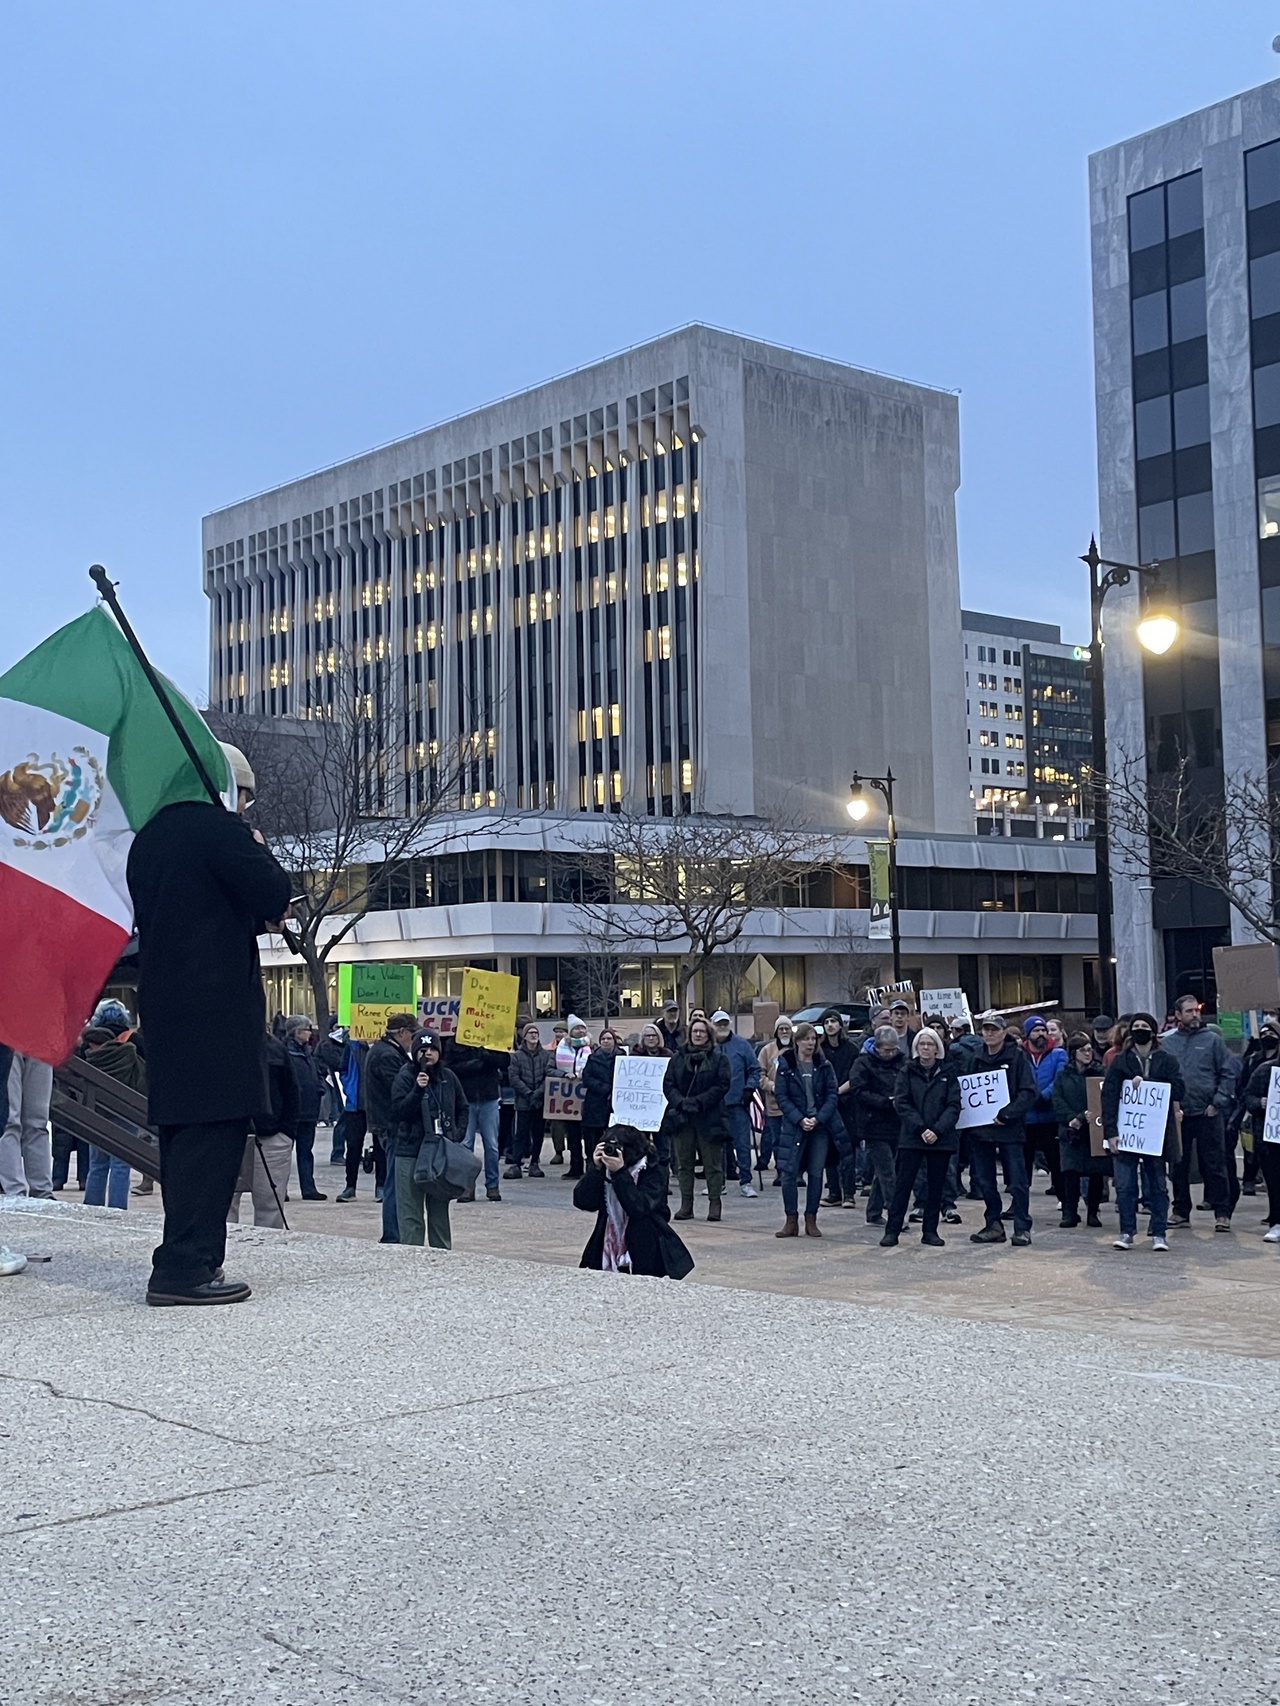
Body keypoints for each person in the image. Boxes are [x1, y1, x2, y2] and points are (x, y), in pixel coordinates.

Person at [126, 741, 291, 1305]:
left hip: (166, 1007)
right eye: (244, 796)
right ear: (228, 788)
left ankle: (182, 1254)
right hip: (217, 1009)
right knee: (215, 1136)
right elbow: (275, 894)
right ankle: (187, 1268)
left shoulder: (148, 840)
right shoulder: (221, 831)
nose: (245, 807)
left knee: (181, 1138)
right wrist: (257, 849)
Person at [1101, 1012, 1184, 1252]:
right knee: (1125, 1186)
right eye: (1135, 1026)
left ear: (1153, 1031)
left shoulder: (1166, 1060)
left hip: (1155, 1135)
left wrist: (1149, 1084)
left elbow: (1179, 1089)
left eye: (1144, 1026)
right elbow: (1109, 1097)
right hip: (1128, 1133)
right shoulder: (1121, 1061)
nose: (1139, 1029)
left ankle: (1159, 1232)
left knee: (1157, 1185)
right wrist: (1111, 1132)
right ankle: (1127, 1231)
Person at [574, 1123, 694, 1278]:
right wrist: (595, 1169)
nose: (612, 1153)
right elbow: (583, 1201)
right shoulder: (605, 1169)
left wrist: (620, 1173)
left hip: (646, 1243)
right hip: (607, 1238)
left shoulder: (652, 1168)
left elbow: (639, 1208)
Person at [1161, 993, 1236, 1231]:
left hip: (1208, 1112)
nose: (1195, 1014)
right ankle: (1181, 1210)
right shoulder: (1168, 1043)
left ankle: (1222, 1213)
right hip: (1179, 1114)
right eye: (1189, 1011)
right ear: (1178, 1016)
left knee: (1215, 1163)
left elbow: (1227, 1072)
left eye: (1197, 1010)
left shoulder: (1212, 1040)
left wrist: (1218, 1102)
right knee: (1178, 1164)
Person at [881, 1027, 961, 1247]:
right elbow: (902, 1102)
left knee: (936, 1188)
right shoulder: (907, 1072)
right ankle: (892, 1230)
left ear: (938, 1048)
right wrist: (921, 1129)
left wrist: (937, 1130)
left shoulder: (948, 1072)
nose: (926, 1048)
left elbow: (954, 1105)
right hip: (912, 1137)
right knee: (903, 1187)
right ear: (916, 1047)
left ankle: (930, 1231)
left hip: (941, 1139)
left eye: (930, 1044)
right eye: (922, 1044)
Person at [966, 1011, 1038, 1247]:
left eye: (994, 1029)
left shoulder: (1017, 1057)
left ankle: (1022, 1227)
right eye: (986, 1029)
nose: (989, 1033)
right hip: (981, 1130)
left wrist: (1006, 1115)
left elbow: (1028, 1092)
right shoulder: (975, 1058)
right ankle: (993, 1224)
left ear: (1004, 1032)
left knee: (1017, 1180)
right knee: (985, 1181)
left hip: (1010, 1129)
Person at [390, 1032, 467, 1250]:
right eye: (423, 1050)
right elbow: (398, 1112)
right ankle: (412, 1254)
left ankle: (441, 1254)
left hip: (440, 1154)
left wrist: (457, 1134)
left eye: (432, 1049)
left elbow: (463, 1107)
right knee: (410, 1211)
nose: (428, 1054)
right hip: (410, 1151)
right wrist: (417, 1089)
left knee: (439, 1210)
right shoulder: (405, 1076)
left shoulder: (448, 1077)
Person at [773, 1021, 841, 1237]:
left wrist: (818, 1118)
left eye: (813, 1039)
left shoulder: (823, 1065)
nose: (810, 1043)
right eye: (806, 1039)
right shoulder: (786, 1064)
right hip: (794, 1126)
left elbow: (832, 1094)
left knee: (816, 1173)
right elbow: (782, 1096)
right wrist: (799, 1118)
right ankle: (790, 1220)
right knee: (789, 1172)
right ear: (797, 1041)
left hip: (819, 1127)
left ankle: (811, 1218)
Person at [661, 1017, 730, 1222]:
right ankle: (686, 1204)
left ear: (709, 1034)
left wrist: (700, 1102)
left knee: (712, 1164)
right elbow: (668, 1084)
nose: (698, 1035)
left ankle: (714, 1202)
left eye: (702, 1032)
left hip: (710, 1117)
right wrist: (681, 1102)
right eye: (694, 1031)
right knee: (684, 1163)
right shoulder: (678, 1058)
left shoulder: (719, 1059)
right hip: (683, 1118)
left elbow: (722, 1085)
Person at [229, 1028, 299, 1228]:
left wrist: (286, 1133)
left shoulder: (275, 1047)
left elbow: (291, 1090)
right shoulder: (217, 1044)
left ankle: (268, 1253)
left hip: (271, 1136)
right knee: (222, 1206)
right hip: (226, 1137)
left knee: (270, 1206)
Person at [358, 1012, 417, 1237]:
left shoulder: (384, 1051)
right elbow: (398, 1090)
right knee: (395, 1182)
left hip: (385, 1122)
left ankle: (395, 1232)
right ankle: (393, 1234)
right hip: (391, 1124)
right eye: (412, 1034)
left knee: (395, 1180)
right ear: (402, 1032)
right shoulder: (388, 1055)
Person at [81, 1024, 146, 1210]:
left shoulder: (89, 1060)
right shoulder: (128, 1054)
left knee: (97, 1164)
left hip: (98, 1114)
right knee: (121, 1164)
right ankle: (118, 1208)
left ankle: (92, 1206)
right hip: (127, 1113)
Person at [848, 1027, 905, 1226]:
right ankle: (895, 1215)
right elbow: (858, 1091)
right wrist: (884, 1102)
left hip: (896, 1123)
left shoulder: (901, 1062)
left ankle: (873, 1212)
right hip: (873, 1124)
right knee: (888, 1172)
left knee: (885, 1172)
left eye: (893, 1050)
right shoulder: (863, 1063)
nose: (890, 1054)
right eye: (886, 1050)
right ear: (877, 1047)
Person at [1051, 1033, 1108, 1228]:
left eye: (1089, 1049)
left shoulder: (1100, 1072)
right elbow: (1057, 1099)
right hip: (1071, 1130)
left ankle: (1093, 1212)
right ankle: (1070, 1213)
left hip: (1094, 1129)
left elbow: (1103, 1096)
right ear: (1073, 1053)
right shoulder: (1063, 1075)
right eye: (1082, 1050)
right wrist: (1071, 1118)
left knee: (1096, 1173)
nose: (1087, 1053)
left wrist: (1087, 1116)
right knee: (1070, 1173)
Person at [446, 1034, 510, 1202]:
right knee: (465, 1145)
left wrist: (484, 1053)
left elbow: (504, 1060)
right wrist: (474, 1065)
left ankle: (492, 1186)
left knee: (492, 1145)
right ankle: (467, 1186)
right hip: (466, 1098)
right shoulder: (455, 1041)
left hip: (488, 1096)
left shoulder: (492, 1038)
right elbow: (449, 1067)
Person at [711, 1009, 762, 1199]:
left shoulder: (742, 1045)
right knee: (717, 1146)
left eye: (725, 1023)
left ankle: (746, 1182)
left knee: (742, 1144)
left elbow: (755, 1069)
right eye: (718, 1024)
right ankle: (718, 1183)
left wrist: (749, 1088)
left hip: (738, 1102)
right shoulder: (708, 1046)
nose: (722, 1026)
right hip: (714, 1105)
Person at [817, 1008, 860, 1207]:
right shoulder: (819, 1050)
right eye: (827, 1022)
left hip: (847, 1105)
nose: (830, 1025)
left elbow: (856, 1076)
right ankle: (834, 1192)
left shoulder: (851, 1049)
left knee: (848, 1150)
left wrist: (838, 1092)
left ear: (840, 1025)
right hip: (826, 1106)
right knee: (829, 1152)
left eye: (834, 1021)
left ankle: (849, 1194)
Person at [1021, 1015, 1067, 1201]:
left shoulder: (1058, 1054)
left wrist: (1044, 1096)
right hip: (1027, 1118)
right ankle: (1019, 1203)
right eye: (1036, 1030)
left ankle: (1066, 1204)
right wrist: (1029, 1098)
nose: (1041, 1034)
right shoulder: (1020, 1056)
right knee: (1023, 1166)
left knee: (1057, 1163)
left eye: (1043, 1030)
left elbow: (1059, 1079)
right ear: (1028, 1034)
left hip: (1051, 1117)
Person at [1, 1052, 55, 1199]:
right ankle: (15, 1190)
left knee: (37, 1122)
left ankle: (41, 1190)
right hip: (8, 1038)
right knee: (10, 1121)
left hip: (40, 1038)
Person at [283, 1017, 327, 1201]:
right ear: (296, 1031)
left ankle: (308, 1187)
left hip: (309, 1109)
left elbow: (316, 1072)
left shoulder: (308, 1052)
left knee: (306, 1151)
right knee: (284, 1154)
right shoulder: (285, 1052)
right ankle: (280, 1189)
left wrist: (319, 1086)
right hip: (291, 1111)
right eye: (306, 1029)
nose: (310, 1032)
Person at [1243, 1043, 1280, 1242]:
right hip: (1271, 1138)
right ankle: (1276, 1222)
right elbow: (1247, 1095)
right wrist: (1260, 1103)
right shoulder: (1265, 1070)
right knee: (1274, 1182)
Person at [507, 1022, 553, 1179]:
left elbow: (548, 1075)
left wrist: (539, 1093)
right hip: (523, 1102)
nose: (534, 1035)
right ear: (524, 1036)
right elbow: (513, 1077)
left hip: (539, 1102)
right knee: (520, 1134)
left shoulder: (545, 1055)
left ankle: (534, 1163)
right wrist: (528, 1093)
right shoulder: (517, 1056)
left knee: (538, 1133)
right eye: (530, 1032)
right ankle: (516, 1164)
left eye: (536, 1032)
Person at [757, 1015, 794, 1185]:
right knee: (777, 1140)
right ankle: (781, 1171)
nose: (784, 1031)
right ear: (776, 1031)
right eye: (781, 1029)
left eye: (787, 1028)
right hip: (774, 1105)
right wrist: (771, 1086)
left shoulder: (797, 1049)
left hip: (795, 1105)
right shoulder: (767, 1051)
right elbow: (759, 1074)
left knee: (794, 1140)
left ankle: (795, 1172)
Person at [580, 1028, 624, 1159]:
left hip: (614, 1104)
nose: (606, 1041)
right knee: (593, 1138)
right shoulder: (592, 1058)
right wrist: (605, 1088)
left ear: (614, 1041)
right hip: (595, 1104)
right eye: (603, 1039)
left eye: (609, 1038)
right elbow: (587, 1079)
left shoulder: (623, 1058)